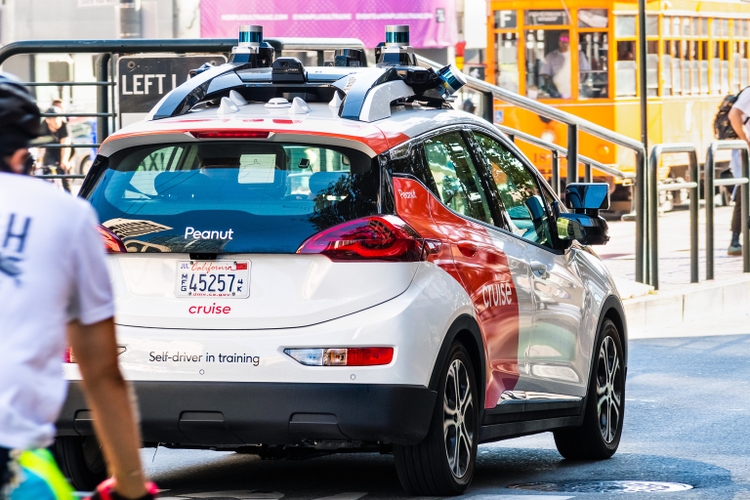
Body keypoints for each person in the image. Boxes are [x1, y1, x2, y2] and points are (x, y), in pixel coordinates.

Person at [0, 74, 156, 500]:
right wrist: (129, 484)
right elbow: (101, 371)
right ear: (21, 152)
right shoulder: (63, 216)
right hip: (11, 460)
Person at [727, 89, 750, 256]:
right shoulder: (749, 93)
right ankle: (735, 240)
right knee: (744, 193)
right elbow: (733, 114)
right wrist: (745, 139)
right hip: (746, 153)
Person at [540, 31, 591, 99]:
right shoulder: (550, 57)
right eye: (562, 39)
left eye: (567, 39)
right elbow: (545, 75)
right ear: (558, 41)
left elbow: (584, 73)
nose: (565, 42)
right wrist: (553, 89)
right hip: (556, 95)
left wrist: (578, 86)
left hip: (576, 93)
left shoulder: (579, 55)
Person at [38, 105, 73, 192]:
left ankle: (68, 194)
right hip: (50, 150)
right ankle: (49, 192)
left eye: (58, 117)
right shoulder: (43, 126)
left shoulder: (64, 125)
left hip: (66, 149)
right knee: (47, 170)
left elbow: (65, 144)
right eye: (53, 118)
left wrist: (64, 160)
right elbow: (41, 144)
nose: (56, 120)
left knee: (64, 171)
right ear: (47, 120)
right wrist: (39, 161)